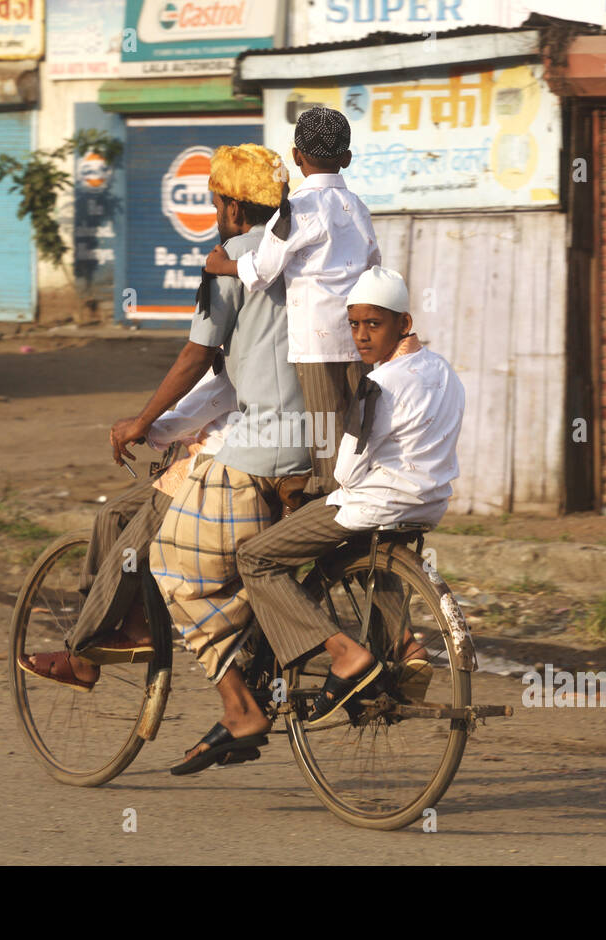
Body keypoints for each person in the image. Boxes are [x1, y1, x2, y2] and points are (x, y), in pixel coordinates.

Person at [237, 266, 466, 727]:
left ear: (403, 323)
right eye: (355, 323)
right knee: (358, 550)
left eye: (374, 324)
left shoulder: (379, 384)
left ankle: (343, 655)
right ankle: (404, 644)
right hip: (429, 503)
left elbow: (344, 470)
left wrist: (317, 477)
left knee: (255, 558)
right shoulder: (443, 371)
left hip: (376, 502)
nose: (362, 336)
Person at [147, 143, 313, 775]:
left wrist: (142, 421)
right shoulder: (315, 254)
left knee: (169, 560)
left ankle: (239, 705)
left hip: (259, 453)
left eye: (218, 201)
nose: (217, 210)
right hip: (323, 448)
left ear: (231, 205)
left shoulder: (230, 263)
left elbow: (197, 358)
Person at [16, 369, 236, 689]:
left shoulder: (227, 324)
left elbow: (215, 390)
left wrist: (150, 426)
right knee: (112, 516)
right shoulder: (225, 328)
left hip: (220, 458)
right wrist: (155, 426)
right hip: (201, 450)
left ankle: (81, 654)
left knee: (128, 551)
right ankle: (120, 623)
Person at [203, 105, 380, 498]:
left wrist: (225, 265)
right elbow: (373, 266)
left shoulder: (297, 208)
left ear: (297, 158)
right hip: (357, 340)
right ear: (347, 159)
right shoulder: (359, 209)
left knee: (324, 441)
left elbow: (264, 270)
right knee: (355, 431)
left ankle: (326, 511)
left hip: (316, 346)